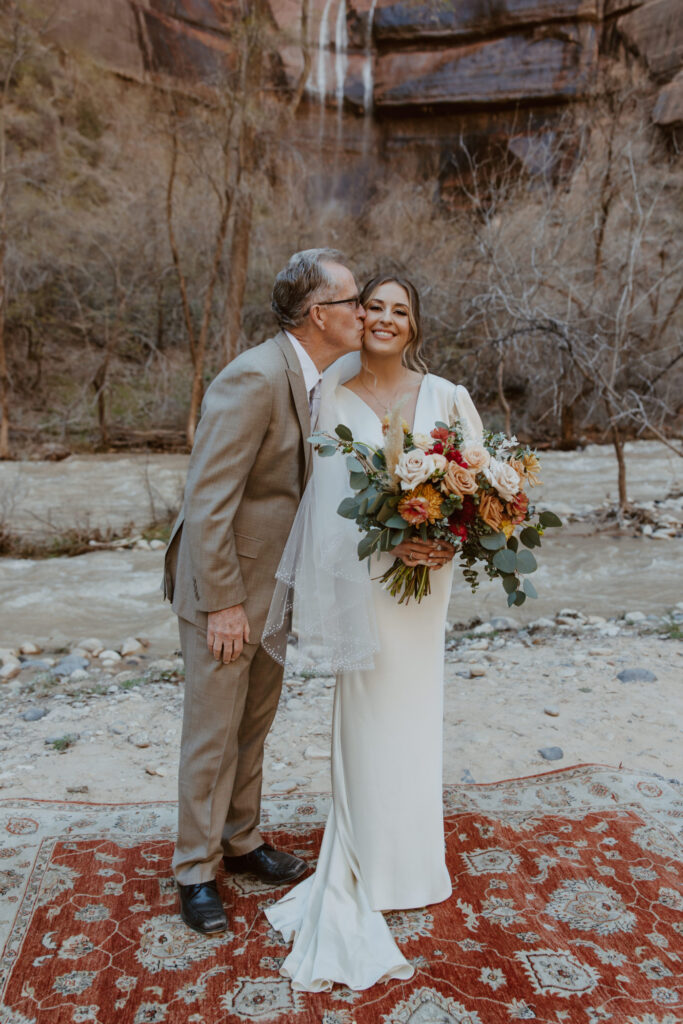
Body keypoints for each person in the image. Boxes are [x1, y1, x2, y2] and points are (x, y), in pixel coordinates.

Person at [264, 274, 484, 991]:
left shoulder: (448, 397)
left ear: (415, 326)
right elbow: (324, 504)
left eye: (400, 311)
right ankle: (364, 861)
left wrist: (448, 538)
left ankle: (414, 863)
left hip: (428, 583)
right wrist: (392, 544)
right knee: (369, 708)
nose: (385, 319)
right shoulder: (330, 392)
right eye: (375, 308)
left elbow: (481, 490)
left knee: (416, 709)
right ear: (357, 319)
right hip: (368, 578)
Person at [163, 248, 366, 935]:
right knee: (212, 732)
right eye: (354, 301)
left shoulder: (316, 378)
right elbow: (207, 500)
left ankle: (240, 841)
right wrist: (221, 602)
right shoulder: (252, 378)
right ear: (320, 314)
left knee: (254, 721)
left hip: (277, 585)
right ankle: (194, 871)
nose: (364, 312)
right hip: (226, 588)